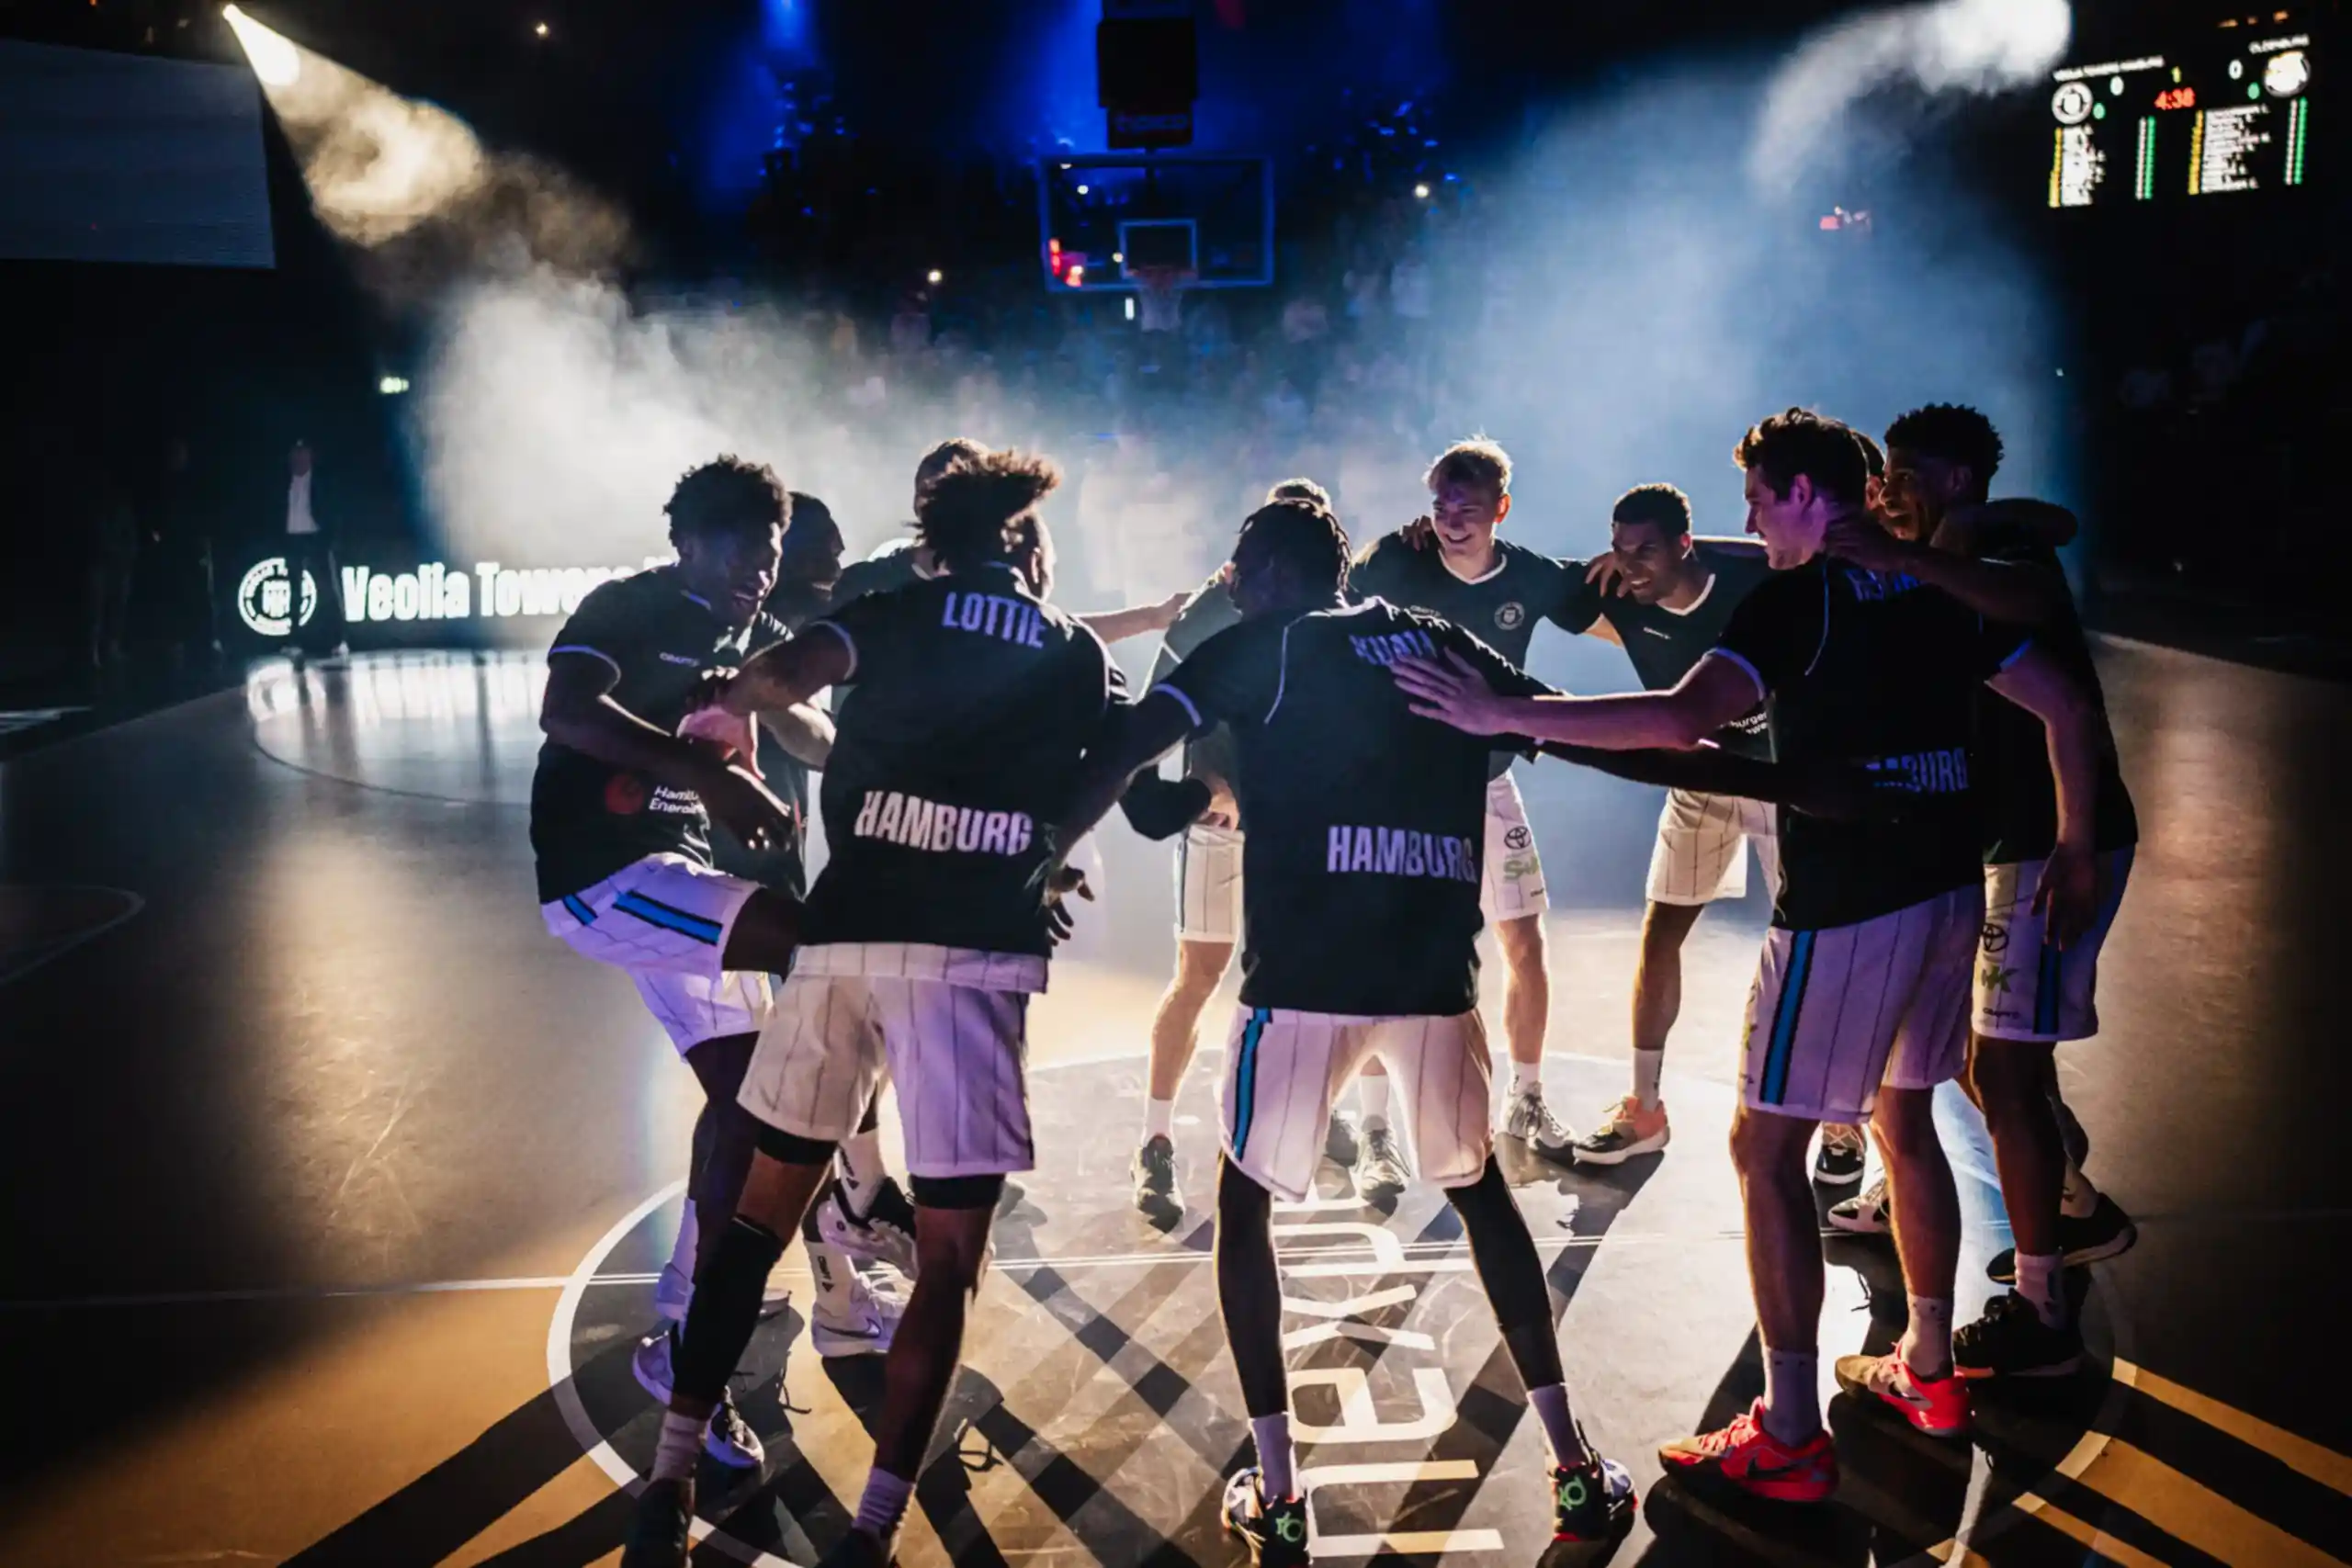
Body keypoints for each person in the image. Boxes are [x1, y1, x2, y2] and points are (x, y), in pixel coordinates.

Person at [1391, 408, 2104, 1493]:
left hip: (1848, 906)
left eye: (1761, 500)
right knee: (1903, 1117)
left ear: (1810, 497)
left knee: (1761, 1150)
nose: (1749, 521)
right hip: (1948, 889)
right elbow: (2060, 703)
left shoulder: (1798, 598)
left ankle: (1786, 1431)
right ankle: (1925, 1366)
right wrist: (2078, 842)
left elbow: (1678, 721)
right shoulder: (1929, 585)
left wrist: (1505, 710)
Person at [1053, 497, 1636, 1564]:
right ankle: (1575, 1467)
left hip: (1305, 984)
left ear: (1269, 572)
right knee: (1481, 1198)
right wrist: (1716, 744)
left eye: (1239, 567)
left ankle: (1279, 1494)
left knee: (1243, 1205)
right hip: (1430, 983)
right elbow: (1565, 723)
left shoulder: (1258, 650)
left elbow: (1131, 749)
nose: (1229, 581)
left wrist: (1040, 853)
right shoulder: (1436, 637)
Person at [620, 450, 1125, 1568]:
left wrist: (719, 711)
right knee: (944, 1264)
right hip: (968, 963)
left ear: (937, 545)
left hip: (842, 944)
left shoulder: (894, 610)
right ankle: (873, 1533)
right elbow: (1103, 769)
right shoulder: (1071, 647)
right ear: (1031, 549)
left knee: (751, 1233)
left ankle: (665, 1481)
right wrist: (1044, 855)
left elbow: (773, 682)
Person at [1823, 405, 2139, 1378]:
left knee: (2000, 1072)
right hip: (2005, 842)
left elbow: (2065, 693)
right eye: (1879, 472)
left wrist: (2077, 846)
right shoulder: (1952, 548)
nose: (1884, 487)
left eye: (1904, 471)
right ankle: (2069, 1194)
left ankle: (2041, 1313)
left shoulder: (1991, 550)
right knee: (1972, 1052)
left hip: (2052, 843)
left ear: (1957, 480)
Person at [534, 457, 826, 1472]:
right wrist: (706, 769)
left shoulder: (754, 638)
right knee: (815, 942)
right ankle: (860, 1209)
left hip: (679, 881)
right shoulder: (628, 605)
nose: (759, 569)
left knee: (747, 1096)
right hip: (606, 879)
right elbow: (566, 712)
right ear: (688, 542)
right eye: (742, 548)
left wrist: (761, 747)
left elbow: (809, 739)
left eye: (771, 553)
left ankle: (686, 1318)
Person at [1557, 485, 1868, 1183]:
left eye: (1647, 549)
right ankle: (1644, 1108)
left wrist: (1725, 545)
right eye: (1621, 547)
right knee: (1660, 933)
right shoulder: (1620, 600)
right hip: (1702, 780)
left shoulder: (1755, 584)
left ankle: (1843, 1122)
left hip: (1781, 781)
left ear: (1685, 545)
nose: (1631, 565)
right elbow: (1525, 575)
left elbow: (1809, 555)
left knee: (1815, 941)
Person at [1131, 479, 1394, 1218]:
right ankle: (1154, 1144)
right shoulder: (1211, 612)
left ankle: (1370, 1128)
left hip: (1304, 824)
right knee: (1200, 975)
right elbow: (1153, 716)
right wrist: (1199, 786)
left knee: (1345, 971)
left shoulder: (1338, 619)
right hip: (1219, 824)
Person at [1349, 439, 1580, 1161]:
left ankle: (1528, 1097)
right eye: (1441, 505)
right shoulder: (1399, 562)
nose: (1451, 520)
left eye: (1468, 507)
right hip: (1403, 787)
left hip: (1486, 781)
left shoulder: (1533, 577)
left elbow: (1609, 598)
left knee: (1524, 939)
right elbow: (1331, 596)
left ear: (1500, 510)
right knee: (1383, 946)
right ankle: (1376, 1124)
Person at [281, 441, 347, 657]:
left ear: (310, 456)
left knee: (328, 591)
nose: (299, 459)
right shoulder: (285, 481)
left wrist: (329, 538)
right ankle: (294, 641)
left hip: (316, 538)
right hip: (293, 539)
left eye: (303, 454)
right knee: (294, 593)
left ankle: (339, 639)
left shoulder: (321, 481)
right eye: (295, 454)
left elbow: (333, 510)